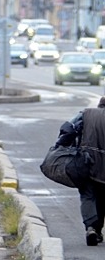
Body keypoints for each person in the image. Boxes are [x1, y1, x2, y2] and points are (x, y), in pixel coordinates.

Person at [55, 97, 105, 246]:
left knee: (88, 195)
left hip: (88, 163)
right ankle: (98, 230)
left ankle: (91, 228)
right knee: (102, 199)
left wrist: (59, 146)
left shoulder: (86, 114)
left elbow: (68, 128)